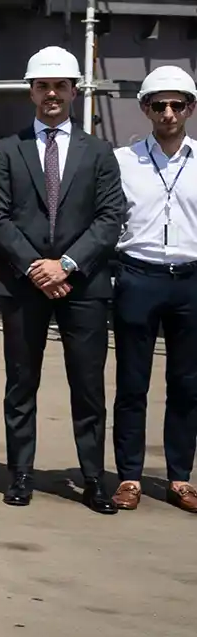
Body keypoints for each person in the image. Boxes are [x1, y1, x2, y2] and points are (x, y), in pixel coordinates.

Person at [0, 45, 126, 513]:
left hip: (83, 285)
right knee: (21, 383)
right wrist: (34, 266)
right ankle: (20, 473)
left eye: (60, 86)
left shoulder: (100, 152)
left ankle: (92, 479)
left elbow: (110, 217)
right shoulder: (7, 150)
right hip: (24, 284)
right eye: (43, 86)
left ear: (73, 91)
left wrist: (65, 265)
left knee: (87, 386)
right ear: (31, 91)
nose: (52, 94)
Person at [110, 65, 197, 513]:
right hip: (137, 275)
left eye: (176, 104)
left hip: (190, 279)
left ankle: (180, 478)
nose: (167, 112)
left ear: (190, 109)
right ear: (144, 108)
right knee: (132, 382)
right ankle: (129, 476)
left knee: (187, 383)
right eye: (158, 104)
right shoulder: (124, 161)